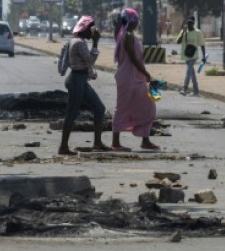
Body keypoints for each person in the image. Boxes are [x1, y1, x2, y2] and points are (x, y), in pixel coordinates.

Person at [58, 15, 109, 156]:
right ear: (84, 30)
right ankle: (63, 147)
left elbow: (85, 64)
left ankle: (97, 143)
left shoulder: (77, 41)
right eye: (90, 29)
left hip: (80, 79)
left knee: (99, 108)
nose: (92, 32)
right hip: (76, 80)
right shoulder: (79, 43)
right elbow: (90, 60)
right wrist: (96, 43)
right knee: (72, 113)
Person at [110, 8, 158, 152]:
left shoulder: (127, 35)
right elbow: (133, 58)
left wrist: (143, 74)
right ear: (133, 21)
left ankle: (145, 139)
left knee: (149, 105)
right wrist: (147, 74)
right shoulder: (127, 36)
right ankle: (115, 142)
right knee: (122, 108)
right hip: (127, 77)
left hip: (136, 77)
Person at [176, 16, 206, 96]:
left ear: (194, 23)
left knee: (188, 71)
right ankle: (196, 90)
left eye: (191, 22)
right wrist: (183, 32)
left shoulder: (198, 32)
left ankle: (185, 89)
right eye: (188, 22)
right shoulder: (184, 31)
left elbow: (202, 44)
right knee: (192, 73)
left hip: (194, 55)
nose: (189, 24)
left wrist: (203, 56)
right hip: (186, 55)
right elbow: (178, 41)